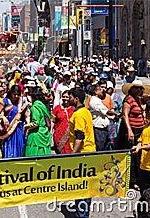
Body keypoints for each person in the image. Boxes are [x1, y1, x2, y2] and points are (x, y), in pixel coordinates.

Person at [117, 80, 150, 190]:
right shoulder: (129, 100)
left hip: (139, 131)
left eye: (140, 88)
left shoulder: (138, 100)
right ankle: (131, 180)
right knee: (132, 155)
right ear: (131, 89)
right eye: (136, 88)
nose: (138, 90)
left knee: (138, 156)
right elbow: (125, 115)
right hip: (131, 131)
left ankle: (137, 179)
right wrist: (129, 130)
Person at [69, 87, 95, 218]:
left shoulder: (79, 114)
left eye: (70, 97)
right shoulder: (85, 111)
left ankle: (82, 215)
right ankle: (84, 213)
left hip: (83, 153)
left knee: (80, 187)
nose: (68, 99)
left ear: (76, 99)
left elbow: (80, 136)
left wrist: (73, 154)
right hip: (89, 152)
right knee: (86, 186)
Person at [1, 84, 29, 158]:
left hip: (18, 128)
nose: (16, 96)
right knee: (8, 146)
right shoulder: (5, 101)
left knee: (18, 147)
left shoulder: (21, 103)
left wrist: (28, 126)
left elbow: (26, 116)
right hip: (8, 129)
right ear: (11, 93)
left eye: (18, 94)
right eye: (14, 94)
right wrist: (3, 117)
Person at [24, 87, 52, 156]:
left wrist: (25, 126)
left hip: (36, 136)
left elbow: (36, 123)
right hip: (44, 132)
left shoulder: (35, 106)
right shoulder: (43, 105)